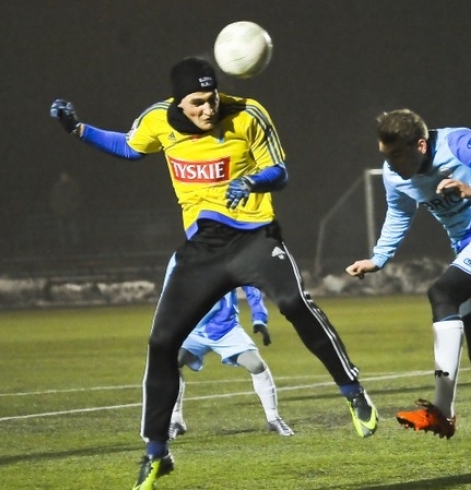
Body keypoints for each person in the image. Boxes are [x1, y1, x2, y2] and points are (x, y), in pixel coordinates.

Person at [49, 57, 377, 490]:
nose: (208, 109)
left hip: (254, 240)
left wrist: (254, 182)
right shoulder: (157, 120)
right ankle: (155, 454)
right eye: (198, 102)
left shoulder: (248, 114)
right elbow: (129, 146)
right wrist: (79, 129)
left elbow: (280, 171)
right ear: (179, 103)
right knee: (161, 342)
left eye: (213, 98)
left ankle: (353, 392)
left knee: (295, 303)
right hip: (202, 252)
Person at [345, 109, 471, 490]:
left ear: (420, 145)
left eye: (396, 155)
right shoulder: (396, 174)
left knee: (441, 292)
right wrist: (377, 259)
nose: (390, 164)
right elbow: (399, 214)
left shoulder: (457, 142)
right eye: (384, 155)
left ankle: (442, 410)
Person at [168, 273, 294, 439]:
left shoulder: (231, 256)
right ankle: (175, 420)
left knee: (257, 365)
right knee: (168, 363)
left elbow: (251, 285)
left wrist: (259, 319)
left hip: (227, 329)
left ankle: (273, 418)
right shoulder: (189, 257)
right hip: (193, 329)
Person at [49, 170, 83, 252]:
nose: (64, 178)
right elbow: (53, 199)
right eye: (62, 176)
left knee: (73, 230)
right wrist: (56, 209)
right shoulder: (56, 187)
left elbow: (77, 198)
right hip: (60, 212)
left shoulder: (73, 186)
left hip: (72, 212)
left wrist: (73, 208)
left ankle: (75, 247)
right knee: (61, 231)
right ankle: (63, 247)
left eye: (65, 176)